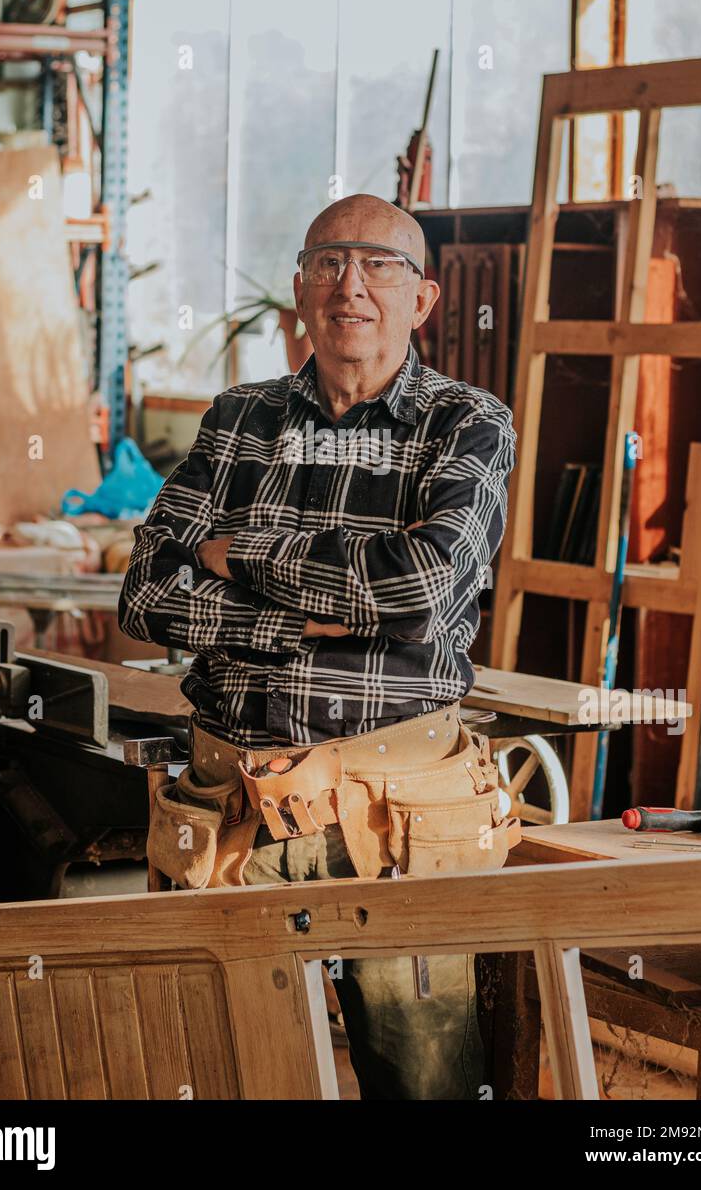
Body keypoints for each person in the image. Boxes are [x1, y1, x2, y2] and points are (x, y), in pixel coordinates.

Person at [118, 192, 517, 1099]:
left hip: (397, 813)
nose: (353, 285)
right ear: (300, 288)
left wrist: (241, 555)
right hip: (232, 807)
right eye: (329, 262)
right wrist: (297, 618)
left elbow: (417, 589)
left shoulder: (466, 423)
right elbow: (145, 594)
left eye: (382, 265)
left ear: (424, 300)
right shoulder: (237, 420)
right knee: (219, 1069)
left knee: (423, 1079)